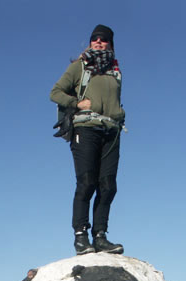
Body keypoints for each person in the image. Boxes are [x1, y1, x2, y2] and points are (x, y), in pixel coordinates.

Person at [50, 24, 125, 256]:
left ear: (110, 44)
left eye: (104, 40)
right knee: (87, 182)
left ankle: (100, 236)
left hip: (111, 131)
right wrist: (77, 103)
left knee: (108, 186)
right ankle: (81, 235)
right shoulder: (79, 66)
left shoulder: (115, 70)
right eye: (95, 39)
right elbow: (55, 92)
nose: (99, 43)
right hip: (86, 128)